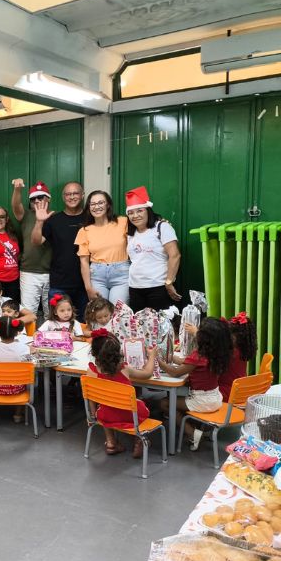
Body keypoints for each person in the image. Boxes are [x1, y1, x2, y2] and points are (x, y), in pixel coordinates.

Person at [158, 317, 233, 451]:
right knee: (172, 401)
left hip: (202, 401)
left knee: (164, 403)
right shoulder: (217, 353)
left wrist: (158, 361)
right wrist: (170, 356)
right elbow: (187, 363)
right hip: (215, 397)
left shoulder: (198, 355)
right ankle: (195, 429)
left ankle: (192, 433)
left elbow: (176, 373)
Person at [87, 330, 156, 458]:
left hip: (105, 415)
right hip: (130, 415)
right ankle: (138, 439)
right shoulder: (124, 369)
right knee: (140, 405)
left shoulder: (91, 371)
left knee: (105, 406)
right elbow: (147, 373)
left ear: (94, 353)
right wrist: (152, 356)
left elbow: (90, 397)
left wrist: (92, 415)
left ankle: (111, 443)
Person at [31, 181, 88, 314]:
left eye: (75, 193)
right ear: (63, 197)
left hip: (85, 284)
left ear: (82, 195)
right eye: (68, 194)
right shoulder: (54, 220)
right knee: (57, 325)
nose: (72, 197)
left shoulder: (90, 218)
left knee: (84, 325)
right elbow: (36, 241)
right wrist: (39, 221)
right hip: (59, 283)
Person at [125, 186, 182, 312]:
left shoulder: (162, 227)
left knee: (161, 326)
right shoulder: (130, 233)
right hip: (135, 288)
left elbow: (175, 255)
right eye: (131, 212)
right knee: (140, 327)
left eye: (139, 210)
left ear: (148, 210)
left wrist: (169, 282)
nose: (135, 215)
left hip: (158, 287)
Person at [75, 190, 130, 305]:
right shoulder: (84, 231)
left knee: (117, 313)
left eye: (101, 203)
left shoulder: (123, 222)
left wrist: (159, 221)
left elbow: (142, 227)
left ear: (108, 205)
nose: (97, 207)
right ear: (89, 207)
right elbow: (84, 262)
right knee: (99, 314)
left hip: (121, 275)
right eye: (93, 204)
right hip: (97, 277)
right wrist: (88, 288)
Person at [188, 312, 255, 401]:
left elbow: (211, 344)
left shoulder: (231, 352)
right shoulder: (242, 349)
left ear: (235, 337)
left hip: (226, 393)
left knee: (193, 387)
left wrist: (197, 333)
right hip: (239, 391)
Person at [12, 179, 52, 318]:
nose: (37, 201)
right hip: (29, 272)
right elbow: (16, 206)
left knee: (52, 314)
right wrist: (17, 190)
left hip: (52, 273)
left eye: (40, 197)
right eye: (33, 198)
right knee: (29, 313)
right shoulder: (26, 215)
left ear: (48, 198)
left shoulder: (55, 217)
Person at [0, 316, 30, 423]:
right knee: (24, 382)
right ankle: (17, 415)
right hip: (16, 389)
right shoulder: (23, 348)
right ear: (17, 332)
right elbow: (27, 358)